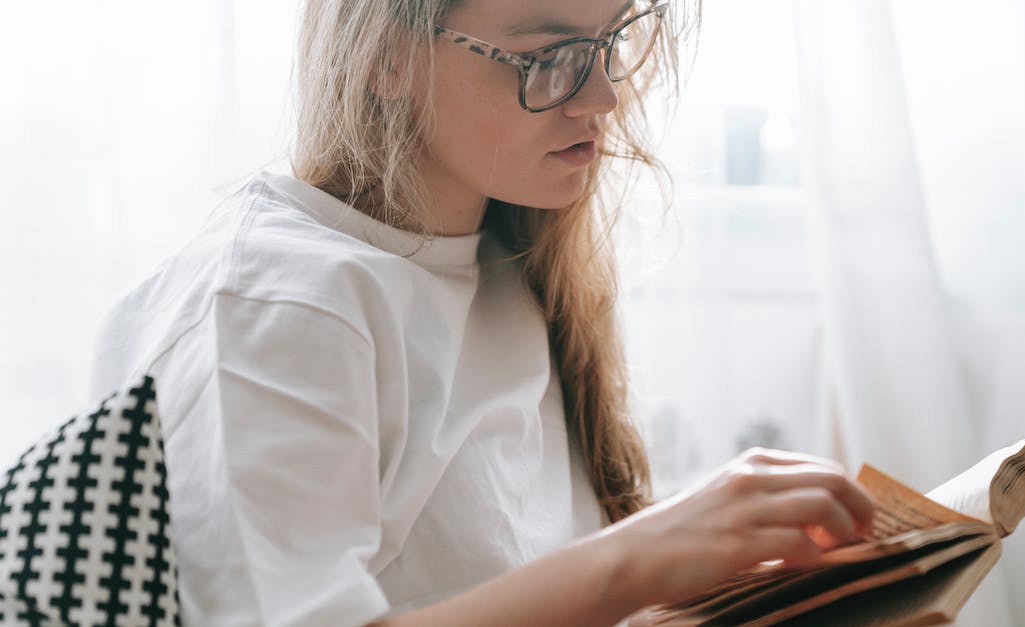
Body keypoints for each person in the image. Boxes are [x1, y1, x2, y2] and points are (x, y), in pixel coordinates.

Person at [88, 0, 876, 625]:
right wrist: (640, 555)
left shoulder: (509, 261)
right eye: (549, 56)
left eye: (615, 39)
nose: (603, 96)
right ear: (388, 58)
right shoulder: (269, 305)